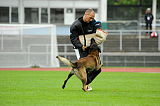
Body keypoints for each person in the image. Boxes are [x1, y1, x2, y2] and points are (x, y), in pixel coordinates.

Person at [70, 8, 102, 91]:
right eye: (91, 17)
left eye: (93, 18)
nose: (92, 19)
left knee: (98, 69)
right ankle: (86, 85)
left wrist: (99, 29)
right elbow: (73, 39)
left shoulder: (93, 22)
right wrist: (81, 46)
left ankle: (86, 83)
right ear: (86, 14)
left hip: (91, 49)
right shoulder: (76, 25)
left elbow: (97, 28)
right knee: (84, 67)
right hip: (80, 49)